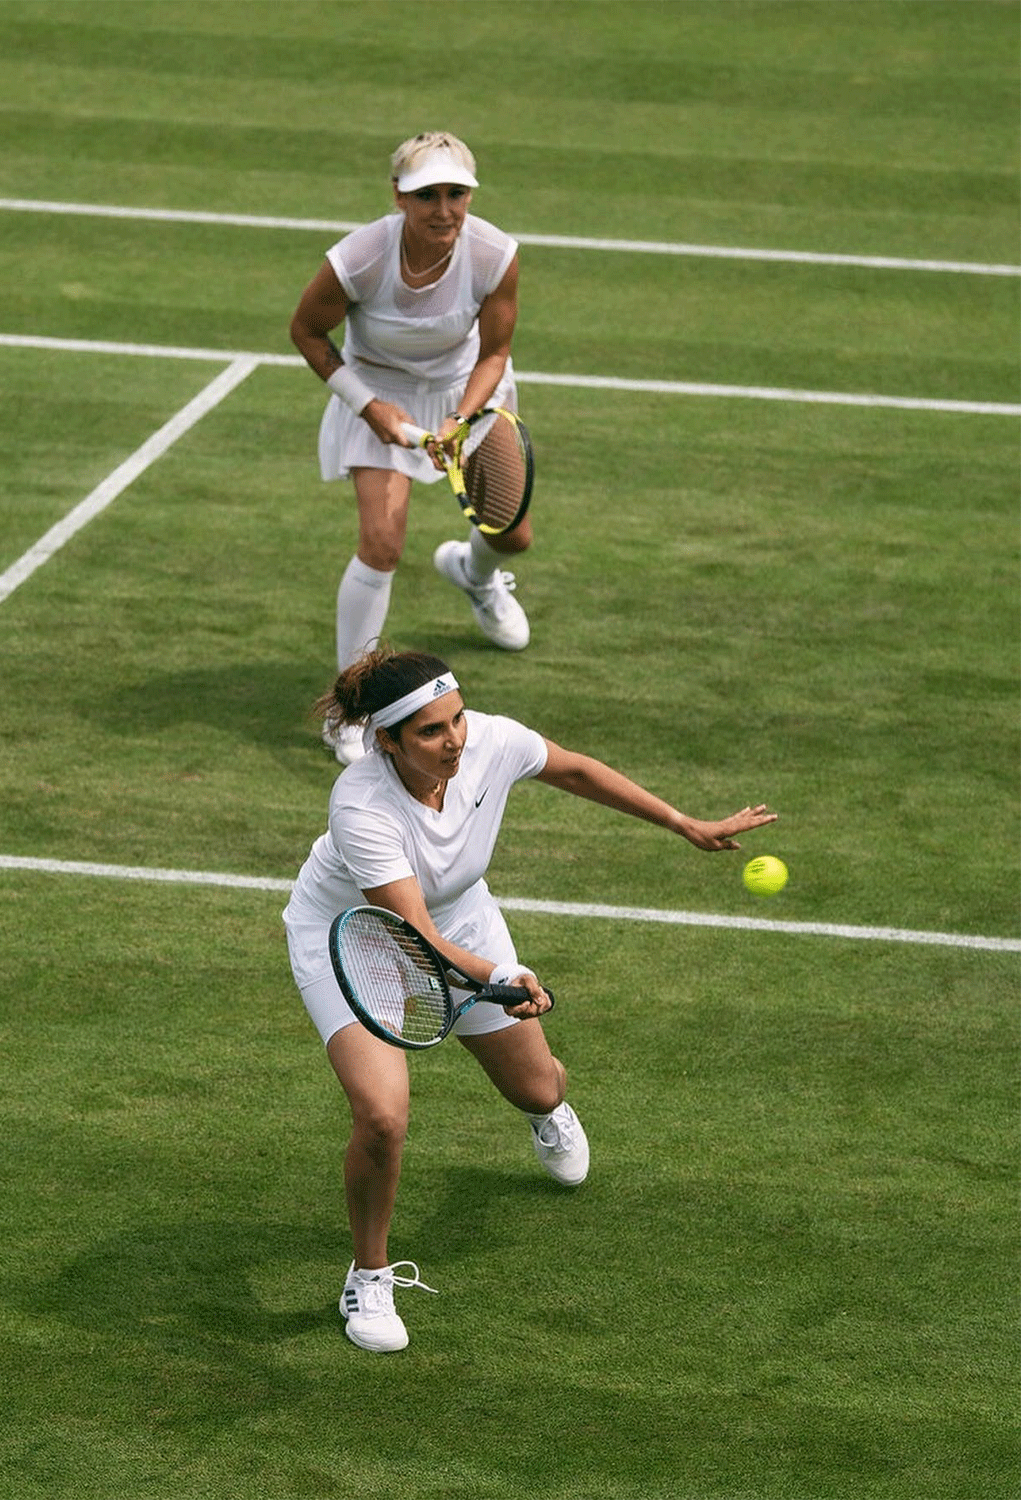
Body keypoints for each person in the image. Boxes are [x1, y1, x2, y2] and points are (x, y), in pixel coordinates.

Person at [281, 647, 778, 1352]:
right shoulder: (361, 805)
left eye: (456, 720)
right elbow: (411, 933)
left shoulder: (490, 742)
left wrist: (683, 822)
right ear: (386, 741)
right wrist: (499, 977)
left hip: (459, 923)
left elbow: (572, 767)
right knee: (383, 1117)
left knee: (539, 1089)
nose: (454, 739)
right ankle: (369, 1276)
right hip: (357, 940)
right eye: (429, 731)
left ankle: (549, 1113)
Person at [288, 131, 533, 766]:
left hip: (465, 392)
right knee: (381, 544)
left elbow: (496, 351)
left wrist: (459, 418)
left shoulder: (494, 253)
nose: (444, 209)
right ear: (399, 195)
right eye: (428, 194)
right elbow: (307, 331)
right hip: (379, 391)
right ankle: (353, 708)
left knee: (512, 535)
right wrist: (368, 406)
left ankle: (472, 574)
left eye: (457, 193)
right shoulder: (360, 259)